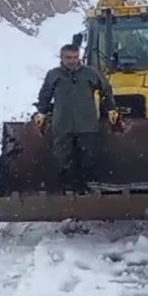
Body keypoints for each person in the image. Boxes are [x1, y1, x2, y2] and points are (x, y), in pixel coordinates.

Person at [34, 43, 120, 191]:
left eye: (75, 57)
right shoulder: (54, 75)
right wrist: (41, 112)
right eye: (68, 57)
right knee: (63, 158)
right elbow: (45, 94)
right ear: (61, 58)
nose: (72, 61)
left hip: (87, 124)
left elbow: (106, 89)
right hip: (62, 125)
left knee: (88, 158)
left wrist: (111, 108)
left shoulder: (90, 73)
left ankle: (87, 189)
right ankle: (66, 190)